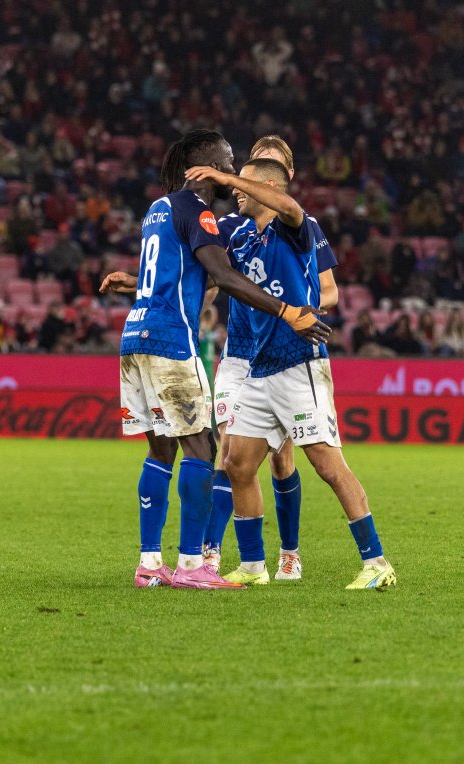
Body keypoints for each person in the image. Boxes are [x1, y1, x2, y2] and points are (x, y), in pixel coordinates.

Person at [97, 129, 328, 591]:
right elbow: (222, 274)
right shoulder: (199, 212)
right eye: (227, 160)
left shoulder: (158, 208)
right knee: (203, 448)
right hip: (171, 340)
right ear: (207, 165)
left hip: (135, 333)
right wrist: (286, 311)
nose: (232, 170)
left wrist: (135, 284)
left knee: (160, 450)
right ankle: (192, 564)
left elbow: (179, 270)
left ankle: (149, 564)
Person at [185, 157, 395, 590]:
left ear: (268, 187)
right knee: (237, 463)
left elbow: (290, 207)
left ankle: (376, 563)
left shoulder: (295, 229)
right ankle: (253, 565)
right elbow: (208, 272)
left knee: (328, 466)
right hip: (258, 367)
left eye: (244, 182)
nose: (235, 190)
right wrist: (139, 282)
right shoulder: (242, 237)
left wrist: (224, 175)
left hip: (300, 365)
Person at [204, 135, 339, 581]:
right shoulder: (233, 227)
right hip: (239, 354)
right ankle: (211, 553)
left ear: (284, 177)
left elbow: (330, 292)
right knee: (230, 450)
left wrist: (296, 311)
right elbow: (211, 275)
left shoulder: (305, 226)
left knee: (283, 460)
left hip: (283, 353)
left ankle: (290, 551)